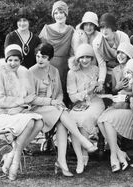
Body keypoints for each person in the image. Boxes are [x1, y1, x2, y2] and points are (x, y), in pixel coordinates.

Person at [29, 42, 98, 176]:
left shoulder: (54, 71)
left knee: (62, 122)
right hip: (37, 108)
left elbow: (60, 92)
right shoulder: (31, 72)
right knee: (62, 113)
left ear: (50, 58)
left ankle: (61, 160)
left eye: (43, 57)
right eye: (37, 56)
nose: (40, 59)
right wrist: (52, 102)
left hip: (53, 108)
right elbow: (31, 98)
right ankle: (83, 140)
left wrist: (58, 102)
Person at [0, 44, 44, 180]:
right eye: (10, 60)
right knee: (29, 122)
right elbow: (0, 101)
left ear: (20, 61)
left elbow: (28, 98)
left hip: (14, 112)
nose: (13, 63)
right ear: (6, 60)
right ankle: (15, 163)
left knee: (40, 122)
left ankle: (11, 155)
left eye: (16, 60)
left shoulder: (22, 74)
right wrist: (21, 101)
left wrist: (24, 105)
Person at [97, 42, 133, 172]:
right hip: (117, 103)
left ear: (129, 55)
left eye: (123, 53)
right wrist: (117, 87)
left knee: (106, 121)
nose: (120, 55)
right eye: (119, 52)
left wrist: (126, 93)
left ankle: (113, 156)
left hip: (130, 106)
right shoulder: (115, 70)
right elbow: (114, 91)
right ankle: (119, 152)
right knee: (100, 120)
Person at [67, 44, 105, 173]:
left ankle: (84, 153)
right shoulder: (72, 73)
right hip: (79, 103)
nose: (85, 60)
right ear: (77, 58)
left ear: (92, 58)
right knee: (72, 119)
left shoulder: (95, 69)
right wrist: (87, 91)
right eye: (82, 57)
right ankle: (80, 158)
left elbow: (100, 89)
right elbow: (72, 98)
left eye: (88, 57)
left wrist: (100, 87)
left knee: (86, 118)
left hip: (95, 102)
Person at [39, 0, 74, 106]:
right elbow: (41, 50)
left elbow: (73, 50)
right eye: (56, 13)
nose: (59, 15)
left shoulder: (71, 30)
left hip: (65, 65)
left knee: (65, 88)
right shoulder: (47, 29)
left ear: (66, 14)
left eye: (61, 12)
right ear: (53, 15)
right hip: (50, 64)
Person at [92, 13, 130, 93]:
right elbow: (101, 65)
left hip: (124, 69)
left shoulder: (123, 37)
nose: (104, 31)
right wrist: (100, 82)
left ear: (113, 27)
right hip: (107, 71)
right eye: (102, 27)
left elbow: (128, 59)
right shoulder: (96, 43)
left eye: (107, 27)